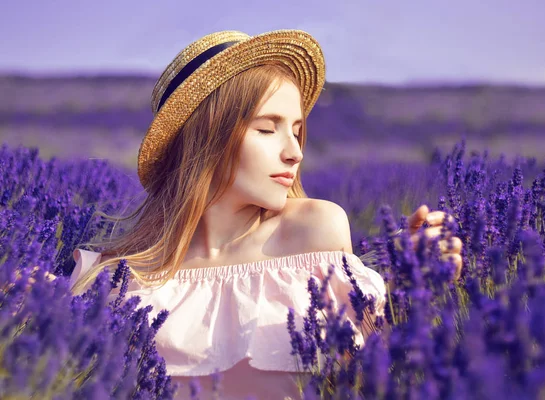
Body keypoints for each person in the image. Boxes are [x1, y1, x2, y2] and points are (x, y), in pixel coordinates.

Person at [69, 29, 462, 399]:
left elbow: (365, 372)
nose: (295, 152)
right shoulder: (117, 279)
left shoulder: (313, 229)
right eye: (266, 129)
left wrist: (409, 286)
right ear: (208, 135)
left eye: (296, 129)